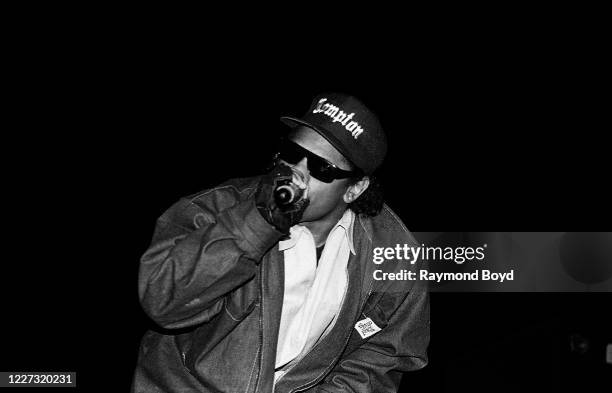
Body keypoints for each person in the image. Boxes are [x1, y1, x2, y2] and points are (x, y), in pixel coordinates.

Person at [132, 93, 430, 393]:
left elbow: (384, 353)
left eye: (320, 168)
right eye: (292, 152)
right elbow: (163, 303)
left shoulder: (394, 256)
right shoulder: (213, 210)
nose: (297, 171)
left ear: (354, 189)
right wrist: (259, 221)